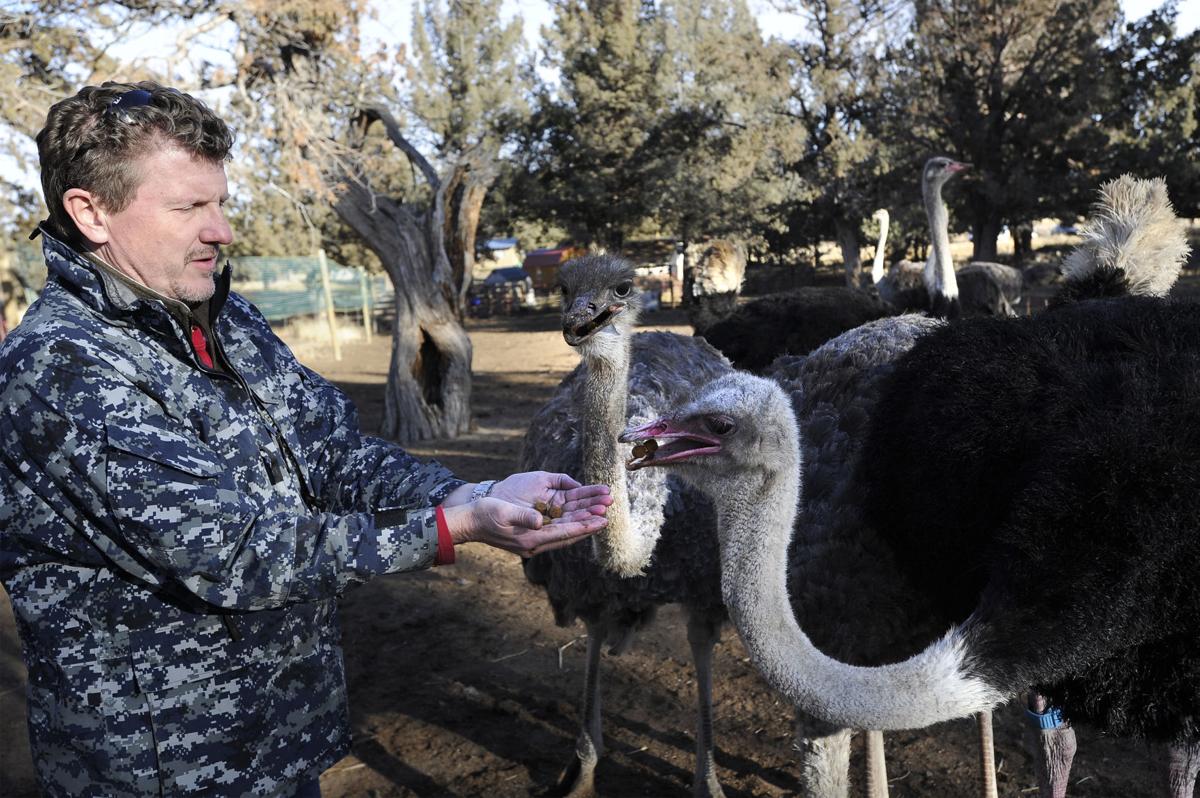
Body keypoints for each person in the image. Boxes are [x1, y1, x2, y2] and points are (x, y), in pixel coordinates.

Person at [0, 81, 611, 798]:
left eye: (220, 201)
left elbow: (334, 453)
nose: (221, 228)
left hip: (279, 739)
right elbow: (234, 552)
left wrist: (470, 490)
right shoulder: (59, 369)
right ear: (91, 212)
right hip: (166, 769)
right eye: (190, 206)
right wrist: (455, 527)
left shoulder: (224, 319)